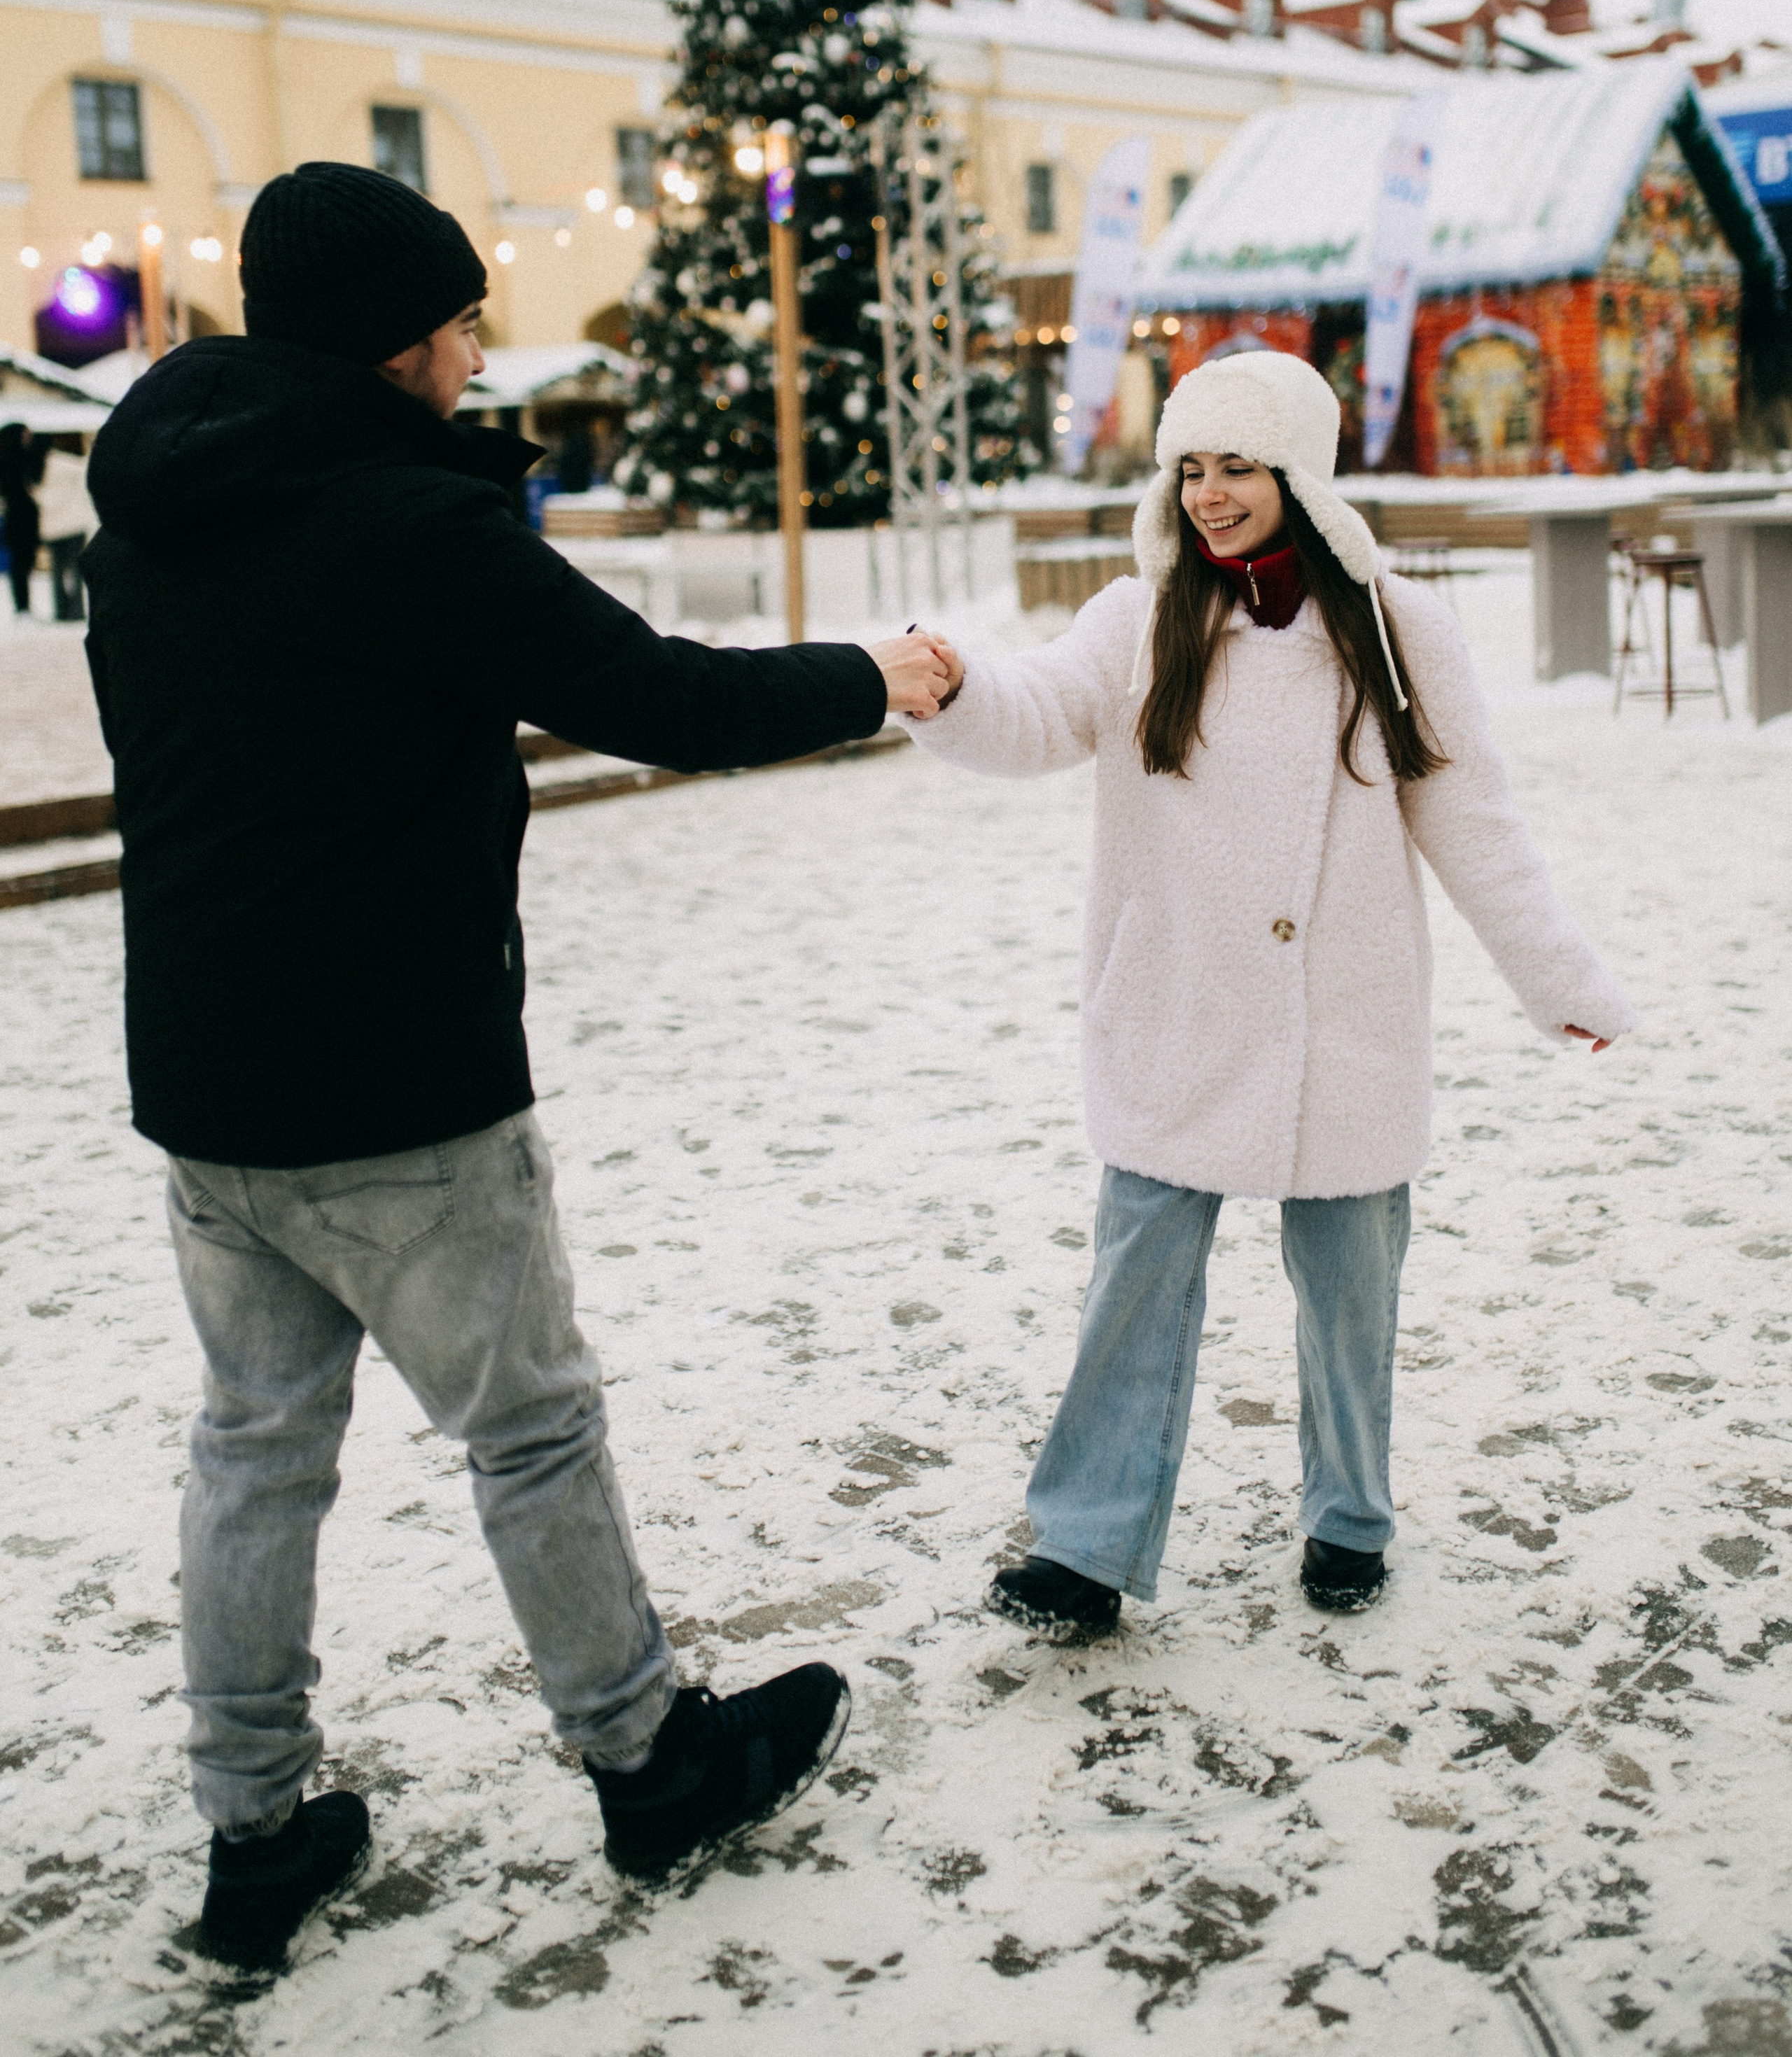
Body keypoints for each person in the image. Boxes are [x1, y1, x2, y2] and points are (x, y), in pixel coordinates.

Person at [82, 161, 953, 1970]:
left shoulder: (152, 517)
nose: (479, 355)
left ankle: (255, 1834)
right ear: (395, 341)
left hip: (210, 1092)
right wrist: (876, 675)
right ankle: (649, 1761)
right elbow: (672, 699)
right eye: (464, 324)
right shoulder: (406, 524)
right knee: (531, 1430)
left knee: (254, 1451)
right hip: (401, 1088)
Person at [903, 349, 1633, 1646]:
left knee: (1351, 1294)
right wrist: (960, 687)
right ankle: (1084, 1545)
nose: (1209, 494)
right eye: (1191, 467)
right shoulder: (1140, 620)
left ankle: (1349, 1517)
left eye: (1238, 466)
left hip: (1343, 1021)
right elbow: (1039, 710)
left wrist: (1556, 976)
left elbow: (1472, 819)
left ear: (1300, 475)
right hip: (1177, 1008)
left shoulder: (1397, 630)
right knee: (1134, 1285)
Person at [36, 438, 97, 621]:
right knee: (76, 571)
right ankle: (77, 610)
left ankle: (61, 611)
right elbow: (85, 469)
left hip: (52, 527)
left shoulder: (34, 468)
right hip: (73, 525)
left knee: (57, 572)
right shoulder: (63, 462)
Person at [1, 419, 44, 615]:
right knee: (21, 563)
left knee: (23, 562)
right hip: (20, 518)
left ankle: (23, 605)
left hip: (21, 517)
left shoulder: (18, 458)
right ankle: (22, 605)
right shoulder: (13, 461)